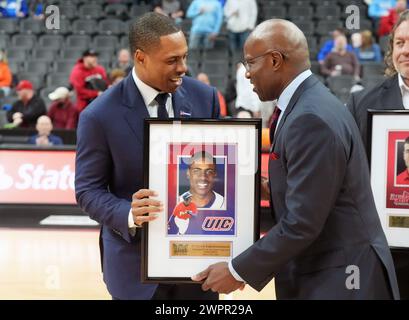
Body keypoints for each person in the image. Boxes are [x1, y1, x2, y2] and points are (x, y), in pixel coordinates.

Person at [192, 18, 400, 300]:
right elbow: (317, 195)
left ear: (275, 60)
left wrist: (236, 270)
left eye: (251, 63)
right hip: (334, 271)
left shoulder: (309, 118)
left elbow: (303, 223)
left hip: (342, 279)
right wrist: (271, 189)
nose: (247, 74)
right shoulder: (308, 104)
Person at [75, 12, 220, 300]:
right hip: (134, 268)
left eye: (184, 57)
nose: (183, 67)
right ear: (140, 57)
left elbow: (220, 167)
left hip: (197, 265)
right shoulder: (99, 115)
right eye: (172, 60)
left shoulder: (206, 98)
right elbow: (87, 190)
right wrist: (128, 213)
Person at [347, 13, 409, 299]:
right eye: (399, 42)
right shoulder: (363, 103)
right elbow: (347, 174)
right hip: (384, 249)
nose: (405, 50)